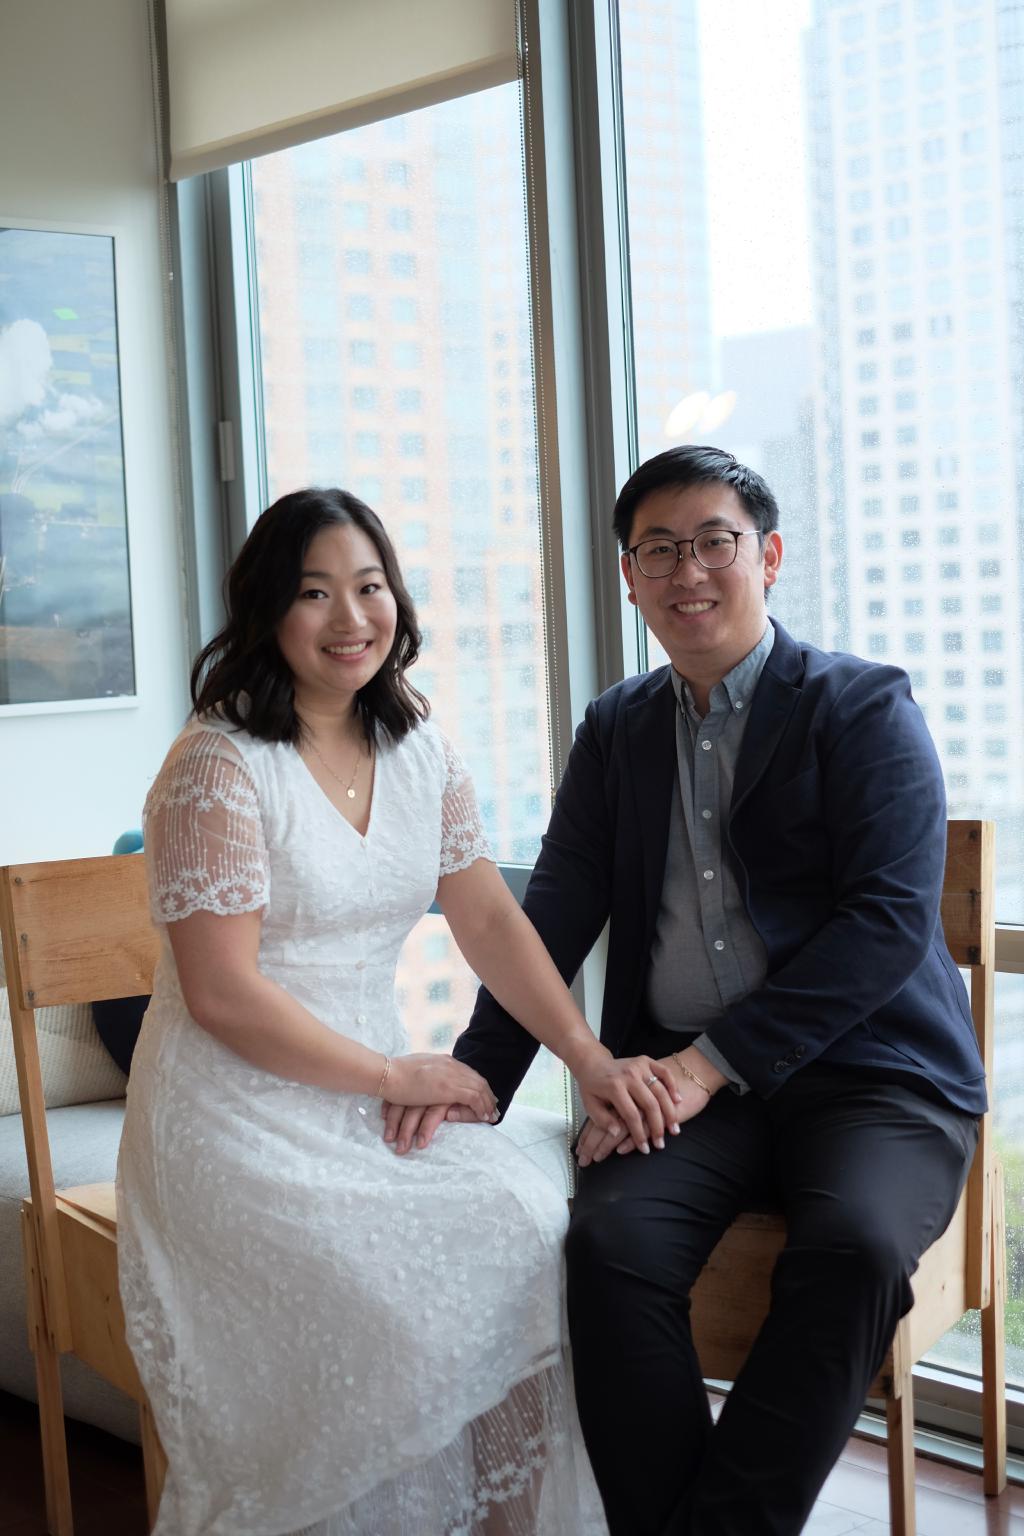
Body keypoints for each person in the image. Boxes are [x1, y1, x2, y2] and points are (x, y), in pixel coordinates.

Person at [438, 446, 987, 1535]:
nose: (687, 571)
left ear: (767, 557)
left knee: (856, 1249)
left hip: (874, 1079)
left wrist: (705, 1065)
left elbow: (885, 924)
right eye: (658, 550)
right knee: (609, 1251)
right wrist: (479, 1079)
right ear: (630, 577)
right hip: (686, 1090)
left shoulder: (862, 706)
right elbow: (554, 913)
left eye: (713, 542)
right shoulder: (617, 730)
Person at [117, 486, 679, 1536]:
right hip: (233, 1117)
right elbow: (222, 994)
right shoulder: (217, 766)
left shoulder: (417, 745)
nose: (350, 618)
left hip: (367, 1091)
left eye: (369, 587)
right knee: (394, 1298)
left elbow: (490, 920)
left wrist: (587, 1057)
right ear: (266, 610)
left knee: (528, 1227)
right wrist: (395, 1074)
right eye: (314, 593)